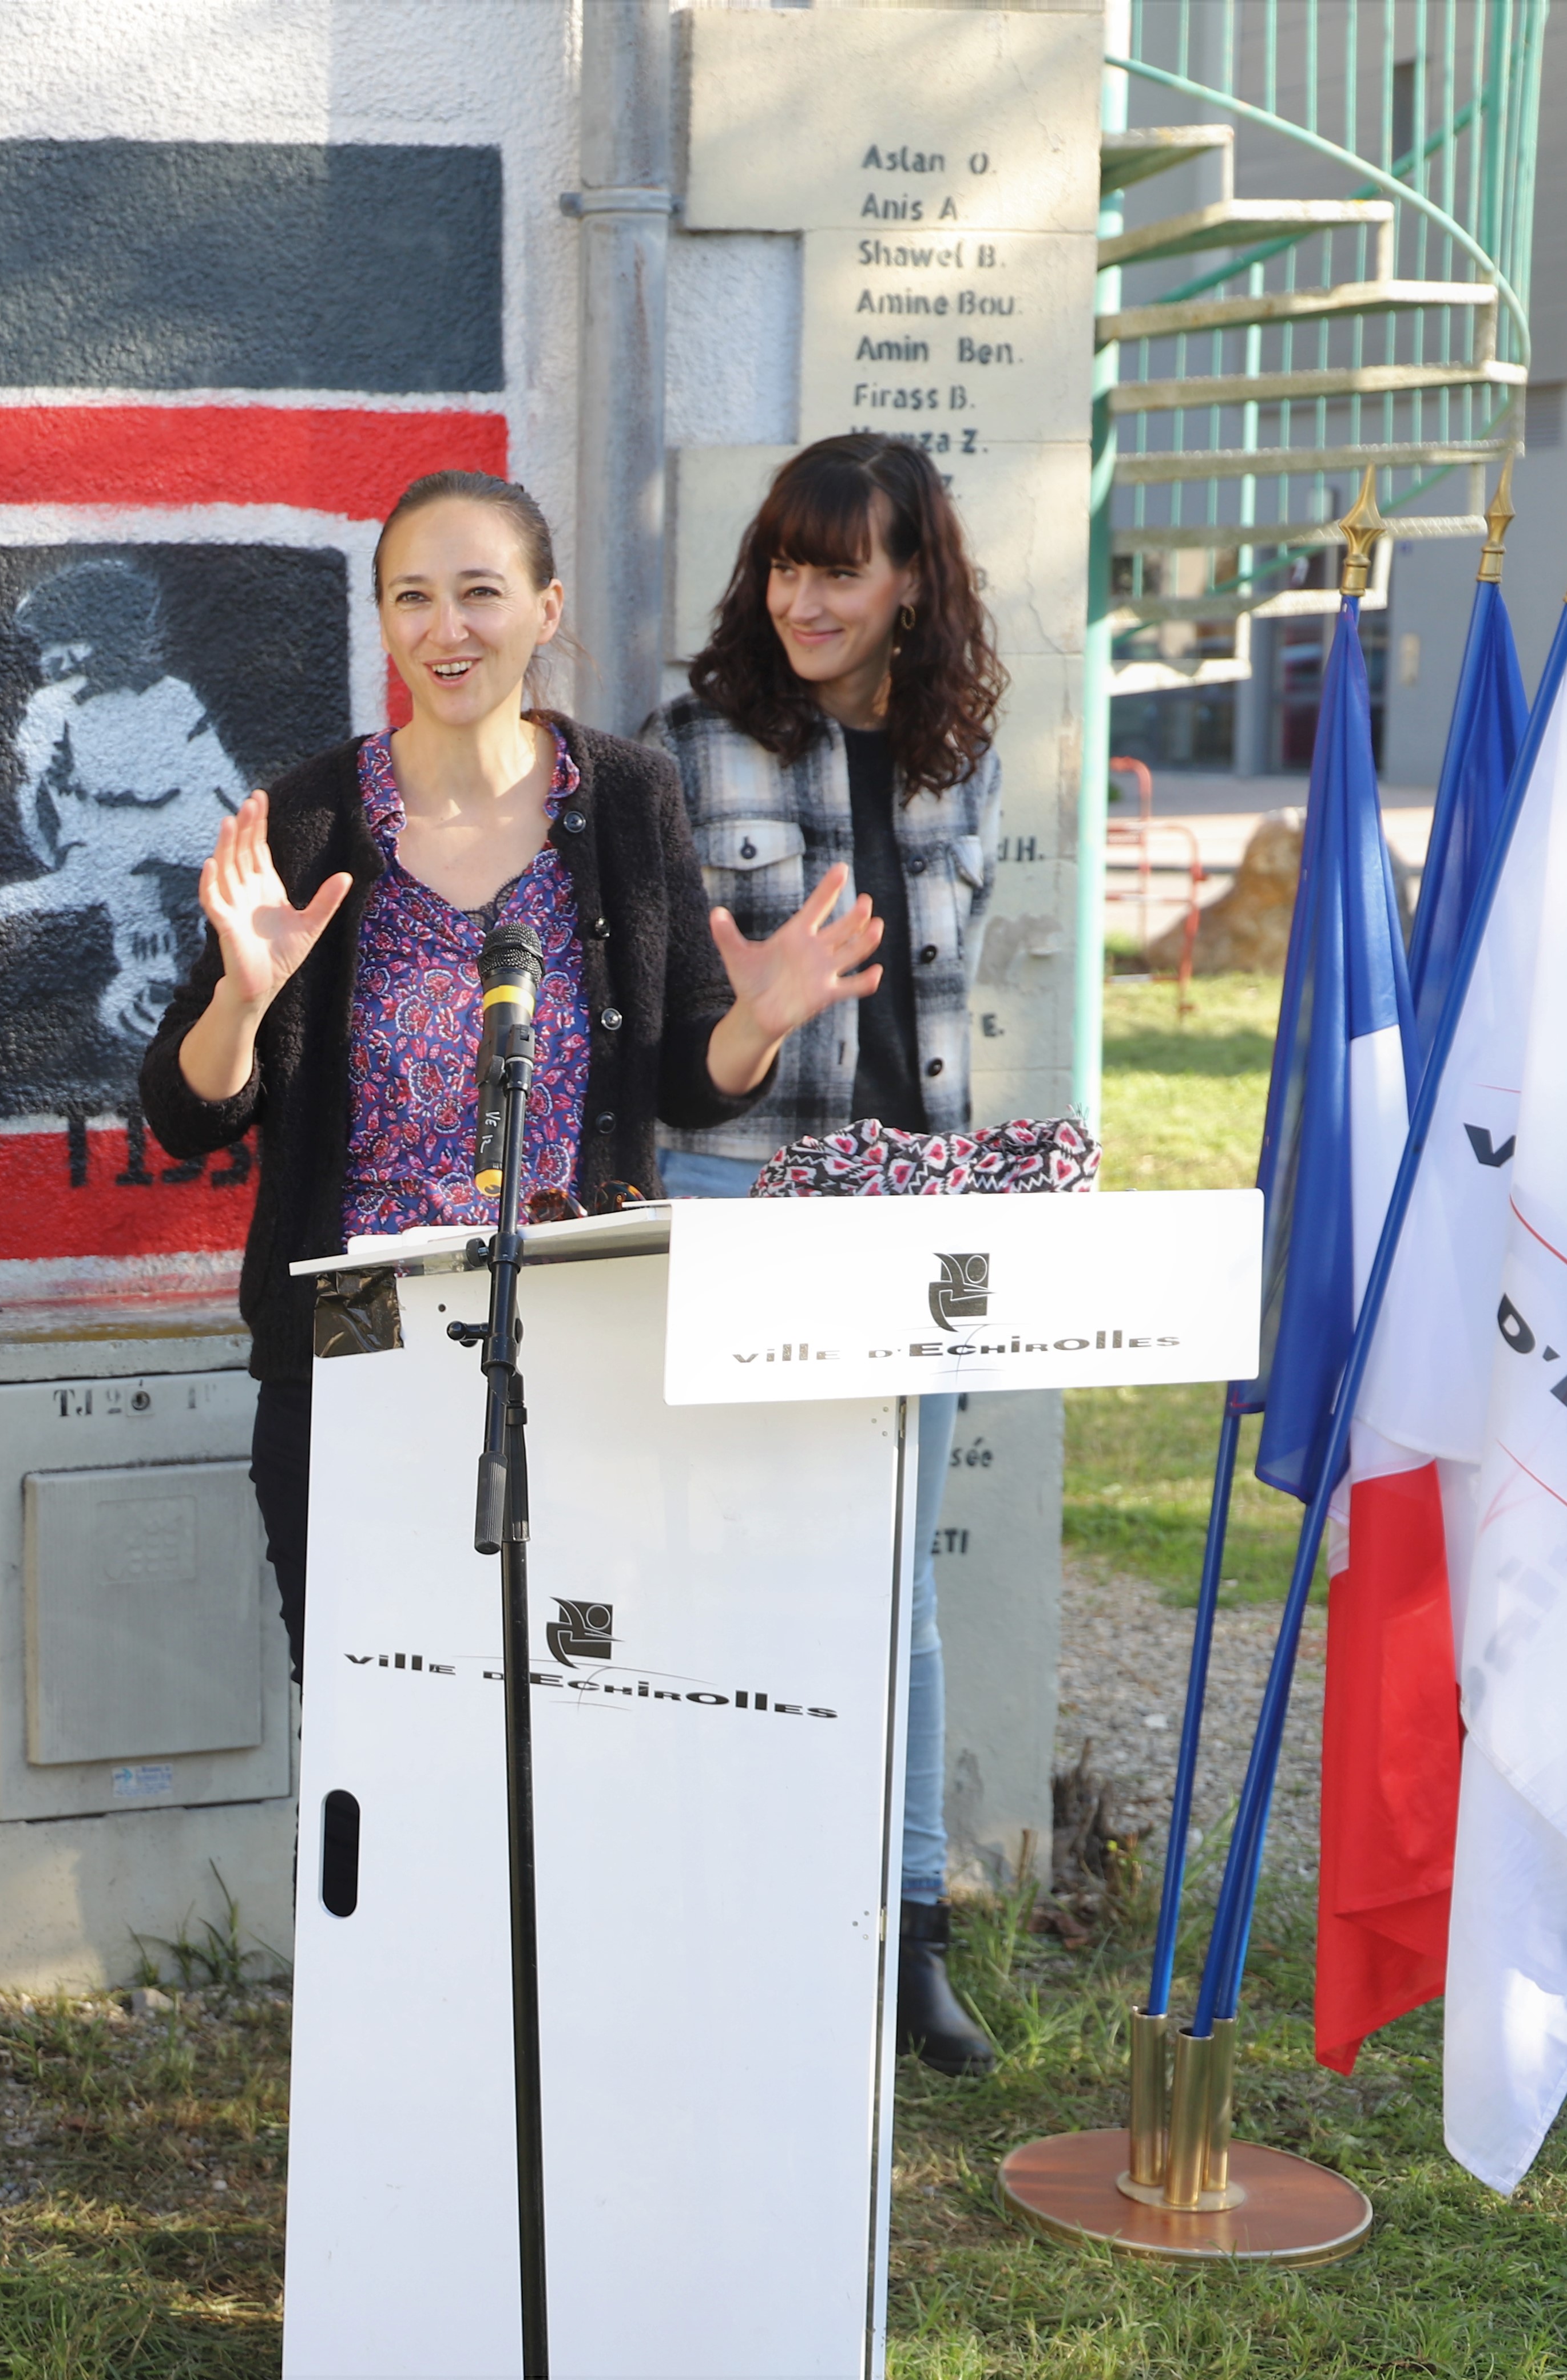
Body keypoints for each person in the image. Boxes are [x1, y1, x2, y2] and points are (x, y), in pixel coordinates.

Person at [136, 467, 884, 1684]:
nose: (448, 630)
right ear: (383, 620)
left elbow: (689, 1079)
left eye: (480, 593)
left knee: (569, 1708)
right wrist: (244, 995)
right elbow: (189, 1110)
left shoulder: (628, 795)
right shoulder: (311, 819)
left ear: (544, 610)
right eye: (413, 598)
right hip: (348, 1355)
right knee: (371, 1719)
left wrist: (760, 1018)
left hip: (575, 1349)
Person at [647, 432, 1010, 2077]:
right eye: (786, 563)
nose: (803, 595)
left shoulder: (964, 754)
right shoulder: (689, 747)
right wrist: (757, 1009)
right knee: (722, 1559)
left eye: (840, 567)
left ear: (911, 579)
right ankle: (722, 1911)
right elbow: (669, 1032)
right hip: (737, 1189)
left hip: (911, 1211)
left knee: (894, 1582)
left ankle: (910, 1935)